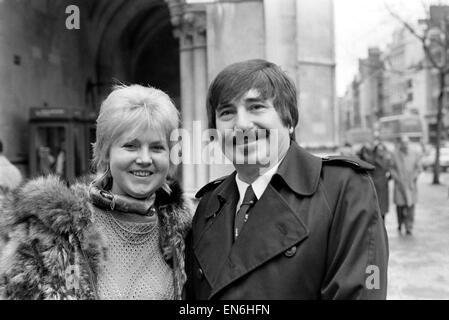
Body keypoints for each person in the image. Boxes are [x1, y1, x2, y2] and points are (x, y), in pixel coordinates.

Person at [185, 59, 389, 300]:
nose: (241, 124)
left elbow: (364, 290)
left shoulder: (344, 189)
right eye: (227, 112)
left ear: (289, 120)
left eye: (256, 107)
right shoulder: (208, 205)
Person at [0, 85, 193, 299]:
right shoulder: (51, 233)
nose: (145, 159)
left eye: (157, 147)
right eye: (130, 146)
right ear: (105, 152)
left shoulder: (183, 230)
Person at [390, 136, 421, 235]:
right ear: (400, 144)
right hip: (399, 184)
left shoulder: (414, 154)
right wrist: (397, 178)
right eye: (403, 143)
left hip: (410, 184)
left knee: (411, 206)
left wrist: (413, 178)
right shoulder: (395, 154)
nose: (405, 145)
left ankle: (409, 227)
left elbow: (418, 168)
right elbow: (391, 168)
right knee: (400, 206)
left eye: (407, 143)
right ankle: (400, 223)